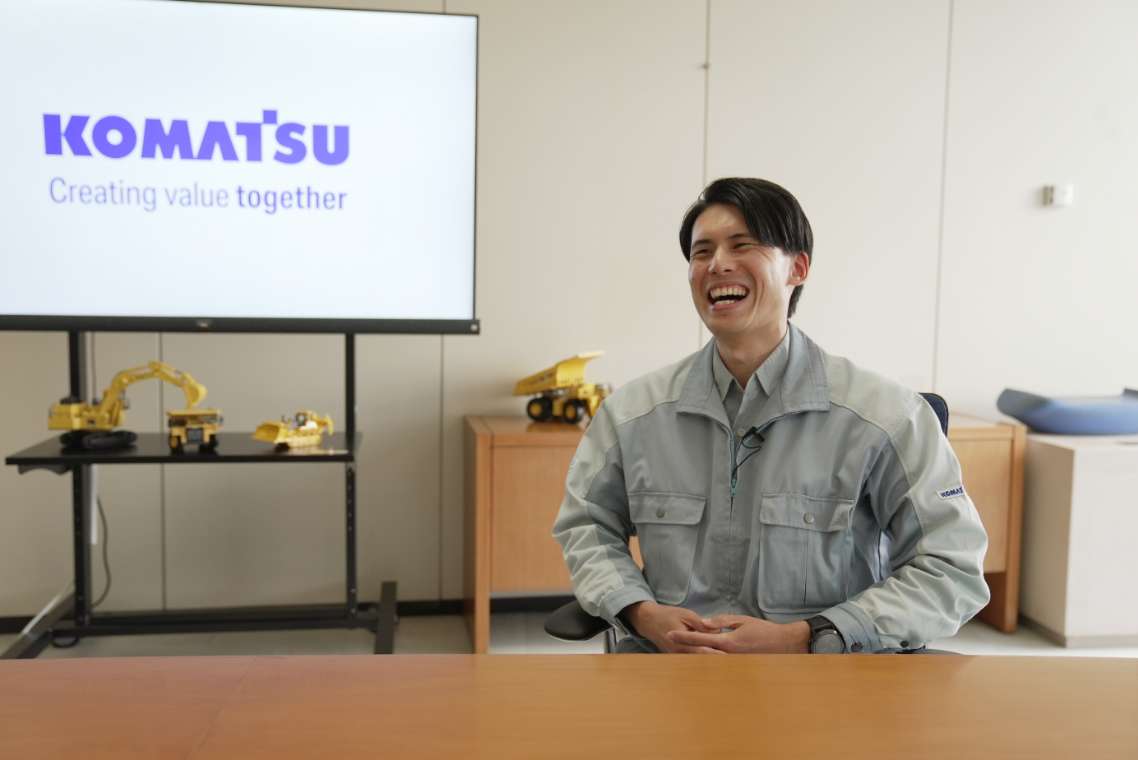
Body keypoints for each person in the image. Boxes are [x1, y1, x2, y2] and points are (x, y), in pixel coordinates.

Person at [552, 177, 989, 654]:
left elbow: (950, 568)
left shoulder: (886, 417)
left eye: (742, 245)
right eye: (702, 252)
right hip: (669, 668)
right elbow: (586, 525)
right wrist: (640, 611)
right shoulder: (633, 415)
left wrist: (811, 635)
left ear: (797, 268)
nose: (717, 264)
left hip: (822, 675)